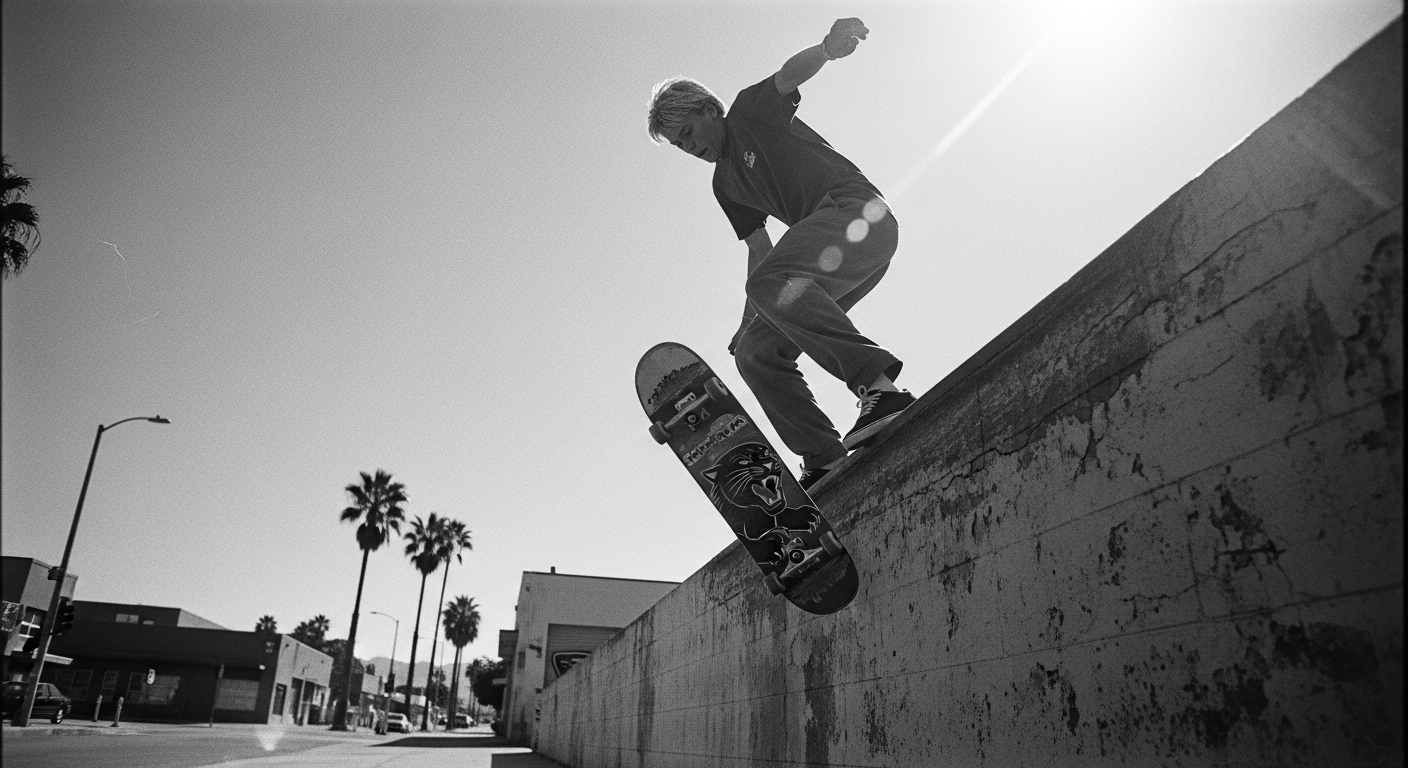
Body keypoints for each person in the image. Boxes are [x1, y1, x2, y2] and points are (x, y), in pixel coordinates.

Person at [648, 17, 915, 489]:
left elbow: (788, 77)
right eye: (679, 145)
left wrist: (827, 48)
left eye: (688, 132)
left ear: (709, 110)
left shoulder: (747, 114)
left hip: (858, 216)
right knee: (755, 351)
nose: (688, 148)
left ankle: (878, 387)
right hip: (829, 256)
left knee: (768, 284)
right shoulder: (724, 186)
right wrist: (746, 322)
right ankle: (823, 455)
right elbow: (760, 251)